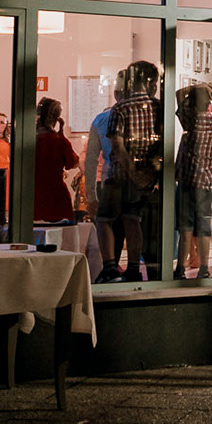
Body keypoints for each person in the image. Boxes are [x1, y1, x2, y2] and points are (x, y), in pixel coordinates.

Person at [106, 61, 162, 281]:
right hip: (150, 180)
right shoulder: (159, 107)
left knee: (110, 220)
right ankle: (139, 269)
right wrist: (149, 172)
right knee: (140, 225)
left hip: (122, 177)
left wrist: (133, 173)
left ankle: (113, 268)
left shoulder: (120, 108)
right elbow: (162, 144)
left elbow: (118, 146)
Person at [174, 84, 212, 277]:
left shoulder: (189, 121)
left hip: (187, 181)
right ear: (208, 104)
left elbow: (178, 94)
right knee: (204, 227)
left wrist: (196, 87)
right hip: (207, 182)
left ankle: (181, 268)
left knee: (185, 228)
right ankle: (204, 268)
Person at [85, 73, 128, 276]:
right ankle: (118, 265)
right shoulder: (138, 116)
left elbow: (91, 159)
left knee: (109, 224)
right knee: (126, 225)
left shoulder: (101, 119)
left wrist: (91, 194)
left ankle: (110, 265)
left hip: (108, 179)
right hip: (128, 181)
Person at [33, 97, 80, 223]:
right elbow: (72, 163)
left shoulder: (29, 140)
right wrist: (61, 134)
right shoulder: (59, 141)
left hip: (32, 194)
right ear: (57, 119)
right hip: (55, 194)